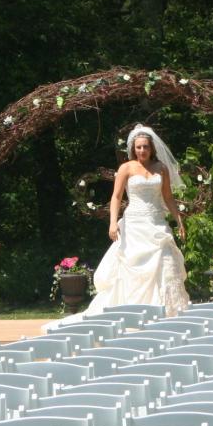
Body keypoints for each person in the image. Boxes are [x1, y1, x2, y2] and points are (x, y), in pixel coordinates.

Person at [81, 124, 191, 317]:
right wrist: (113, 222)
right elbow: (116, 197)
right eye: (138, 147)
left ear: (152, 148)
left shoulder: (161, 168)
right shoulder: (126, 168)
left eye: (145, 147)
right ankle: (132, 312)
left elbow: (168, 197)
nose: (142, 150)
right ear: (133, 148)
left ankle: (170, 311)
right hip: (134, 225)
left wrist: (179, 220)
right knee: (131, 267)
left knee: (166, 262)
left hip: (157, 224)